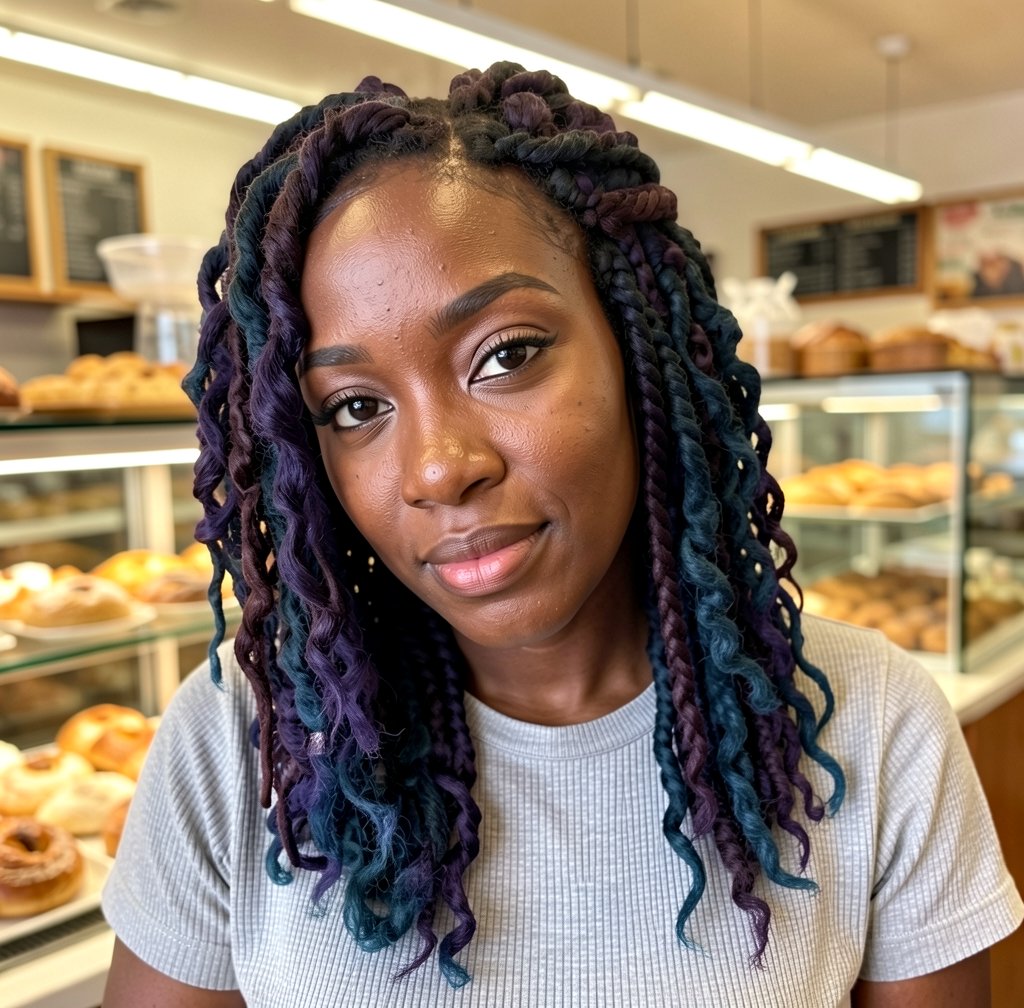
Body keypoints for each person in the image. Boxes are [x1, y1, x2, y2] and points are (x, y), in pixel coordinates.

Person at [101, 62, 1022, 1006]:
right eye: (354, 406)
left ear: (635, 349)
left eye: (505, 355)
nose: (436, 467)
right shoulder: (242, 739)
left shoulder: (874, 726)